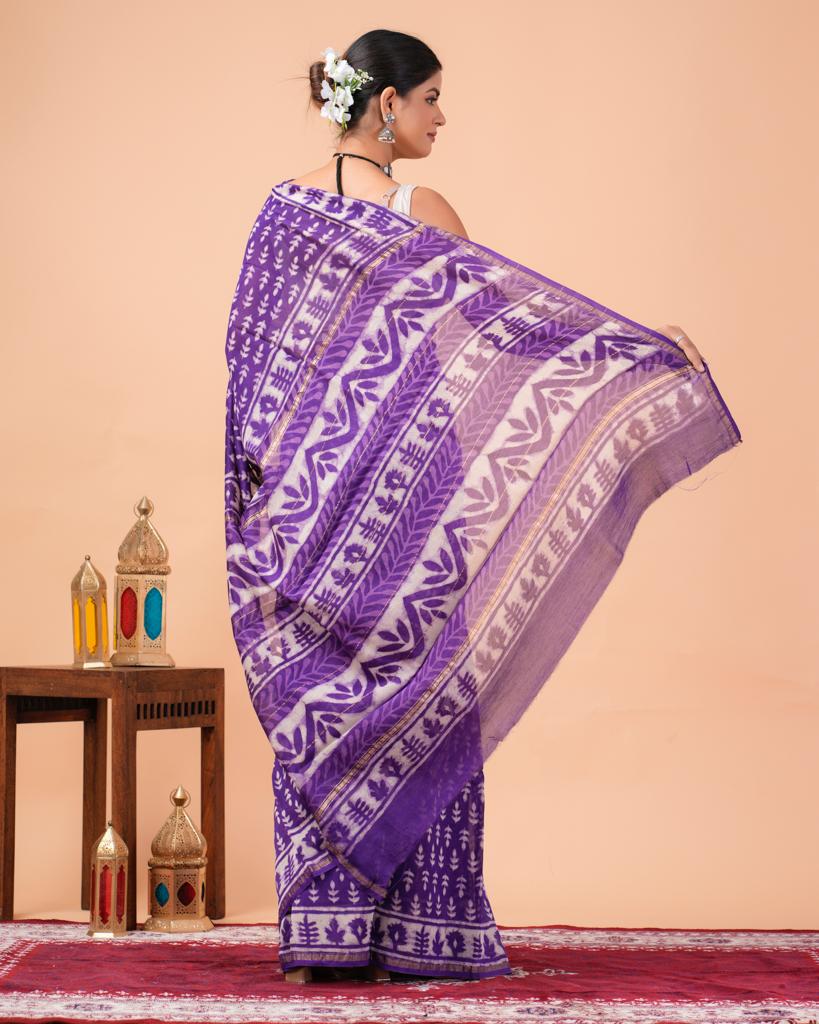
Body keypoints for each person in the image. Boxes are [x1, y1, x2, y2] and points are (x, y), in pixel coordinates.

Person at [224, 28, 741, 986]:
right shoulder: (417, 211)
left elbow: (252, 377)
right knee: (426, 699)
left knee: (326, 703)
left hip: (308, 508)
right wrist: (636, 350)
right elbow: (509, 334)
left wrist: (267, 502)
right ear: (385, 104)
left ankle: (326, 935)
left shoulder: (280, 216)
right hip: (413, 509)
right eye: (429, 97)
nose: (440, 116)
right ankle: (424, 930)